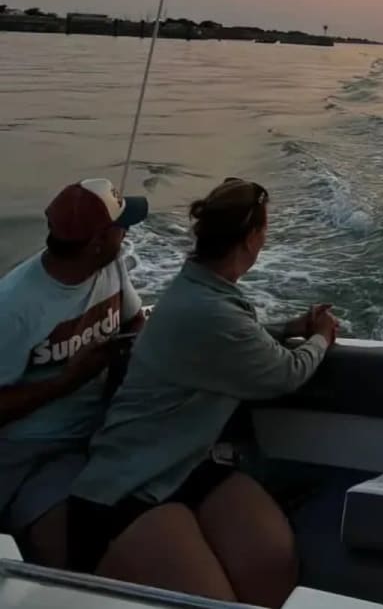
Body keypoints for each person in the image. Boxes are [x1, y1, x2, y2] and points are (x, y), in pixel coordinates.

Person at [68, 177, 338, 608]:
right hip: (127, 488)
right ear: (251, 239)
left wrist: (289, 328)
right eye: (264, 230)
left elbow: (233, 340)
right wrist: (321, 338)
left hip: (187, 463)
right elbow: (284, 372)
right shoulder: (209, 309)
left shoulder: (199, 290)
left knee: (272, 561)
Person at [0, 178, 149, 568]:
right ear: (97, 241)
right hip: (27, 452)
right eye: (122, 225)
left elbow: (135, 322)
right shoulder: (14, 307)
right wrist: (68, 380)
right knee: (73, 557)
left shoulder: (111, 266)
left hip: (97, 434)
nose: (128, 231)